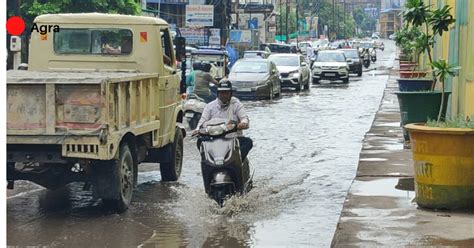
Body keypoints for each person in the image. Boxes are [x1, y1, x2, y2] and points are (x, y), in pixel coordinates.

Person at [193, 80, 253, 161]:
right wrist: (197, 130)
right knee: (200, 141)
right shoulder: (210, 106)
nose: (224, 95)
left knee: (248, 142)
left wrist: (243, 123)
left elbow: (244, 117)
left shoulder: (236, 104)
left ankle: (237, 161)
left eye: (226, 93)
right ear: (218, 94)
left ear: (230, 94)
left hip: (233, 138)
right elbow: (202, 121)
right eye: (222, 93)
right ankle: (207, 162)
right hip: (214, 139)